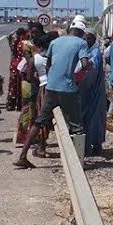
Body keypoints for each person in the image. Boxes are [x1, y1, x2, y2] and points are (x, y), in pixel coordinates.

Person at [14, 21, 91, 168]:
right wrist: (89, 67)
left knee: (39, 121)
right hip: (68, 89)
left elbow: (49, 65)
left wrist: (53, 80)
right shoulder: (81, 43)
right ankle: (77, 163)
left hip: (51, 87)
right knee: (77, 126)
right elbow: (85, 65)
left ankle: (23, 156)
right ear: (81, 32)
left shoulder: (55, 42)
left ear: (71, 29)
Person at [80, 31, 107, 155]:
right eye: (84, 38)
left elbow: (91, 70)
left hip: (93, 90)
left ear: (94, 39)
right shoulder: (87, 51)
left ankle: (95, 146)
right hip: (88, 90)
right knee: (87, 117)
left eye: (89, 38)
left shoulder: (95, 52)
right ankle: (88, 145)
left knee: (95, 117)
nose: (86, 40)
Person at [6, 27, 30, 111]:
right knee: (20, 84)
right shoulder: (25, 43)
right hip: (22, 64)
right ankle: (19, 105)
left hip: (14, 64)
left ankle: (10, 104)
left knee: (12, 84)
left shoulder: (14, 42)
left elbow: (8, 37)